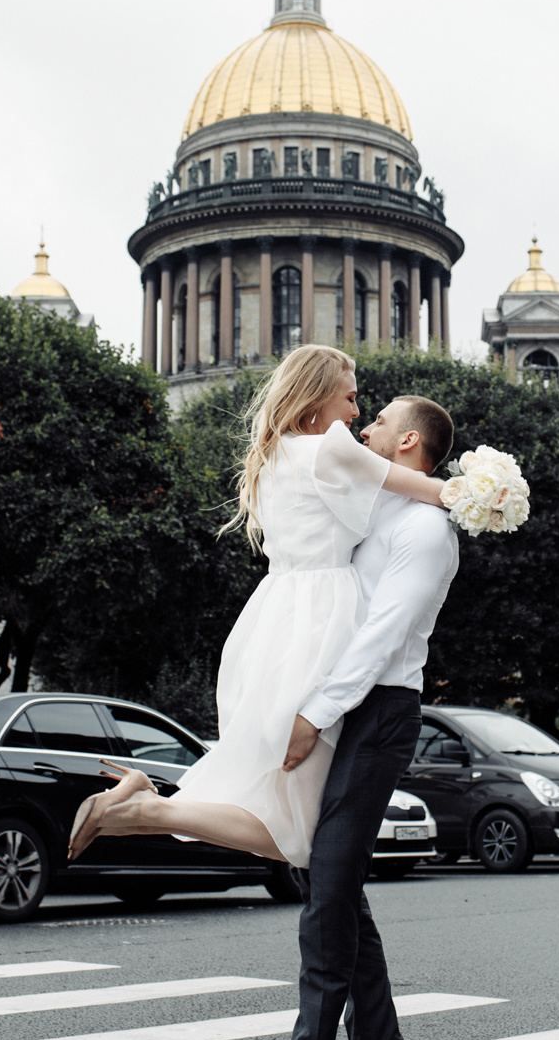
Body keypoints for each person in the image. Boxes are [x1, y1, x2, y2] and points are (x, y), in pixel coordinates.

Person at [70, 344, 450, 866]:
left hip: (274, 617)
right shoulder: (334, 448)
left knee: (278, 801)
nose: (358, 413)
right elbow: (427, 490)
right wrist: (485, 492)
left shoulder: (271, 453)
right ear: (320, 395)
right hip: (322, 617)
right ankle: (146, 811)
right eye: (352, 397)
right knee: (300, 831)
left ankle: (152, 804)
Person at [283, 393, 460, 1040]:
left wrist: (315, 712)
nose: (366, 424)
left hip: (379, 711)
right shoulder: (379, 500)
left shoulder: (427, 530)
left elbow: (382, 635)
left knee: (328, 893)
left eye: (380, 419)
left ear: (409, 439)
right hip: (350, 704)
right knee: (335, 888)